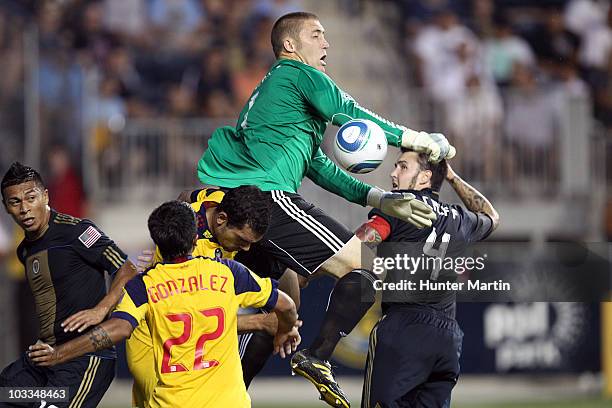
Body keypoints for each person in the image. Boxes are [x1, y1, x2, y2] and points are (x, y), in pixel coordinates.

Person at [196, 11, 456, 407]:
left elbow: (321, 168)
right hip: (268, 200)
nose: (326, 44)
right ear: (290, 46)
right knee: (367, 265)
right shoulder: (296, 74)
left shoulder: (281, 102)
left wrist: (380, 199)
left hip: (238, 206)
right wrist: (416, 139)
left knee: (283, 308)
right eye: (316, 35)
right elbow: (351, 114)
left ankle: (224, 398)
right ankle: (316, 356)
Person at [29, 200, 299, 408]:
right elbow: (286, 304)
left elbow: (117, 330)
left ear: (156, 242)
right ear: (195, 239)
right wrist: (283, 328)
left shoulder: (143, 287)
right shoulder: (227, 273)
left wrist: (58, 354)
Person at [127, 186, 301, 407]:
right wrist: (262, 321)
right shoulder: (194, 255)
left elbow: (186, 195)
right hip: (157, 346)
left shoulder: (217, 199)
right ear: (221, 219)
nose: (246, 248)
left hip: (184, 341)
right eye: (241, 239)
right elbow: (198, 322)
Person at [355, 149, 499, 407]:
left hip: (404, 327)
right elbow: (492, 217)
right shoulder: (459, 218)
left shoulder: (398, 206)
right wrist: (452, 177)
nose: (393, 173)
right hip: (447, 338)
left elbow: (359, 245)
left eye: (402, 167)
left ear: (424, 177)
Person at [0, 162, 139, 407]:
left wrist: (101, 309)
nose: (24, 209)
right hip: (46, 358)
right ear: (7, 208)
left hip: (85, 359)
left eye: (31, 198)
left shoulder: (78, 232)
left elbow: (127, 269)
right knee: (6, 396)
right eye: (15, 202)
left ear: (45, 196)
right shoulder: (24, 250)